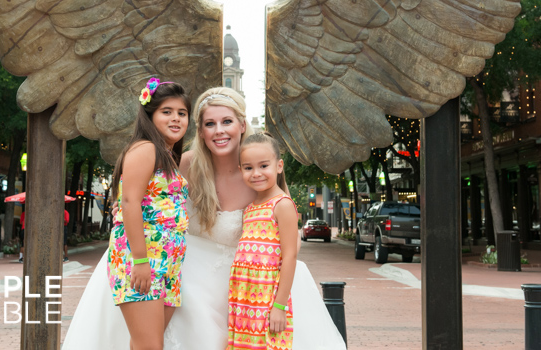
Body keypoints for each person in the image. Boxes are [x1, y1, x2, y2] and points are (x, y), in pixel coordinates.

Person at [63, 87, 345, 350]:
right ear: (200, 130)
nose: (219, 131)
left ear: (242, 125)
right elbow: (145, 196)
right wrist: (122, 212)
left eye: (227, 122)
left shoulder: (259, 172)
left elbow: (286, 236)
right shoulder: (183, 163)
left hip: (249, 282)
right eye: (210, 124)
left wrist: (278, 301)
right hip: (181, 272)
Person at [106, 78, 191, 350]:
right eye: (167, 112)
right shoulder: (147, 149)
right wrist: (141, 261)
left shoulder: (167, 155)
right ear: (150, 115)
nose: (176, 118)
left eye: (182, 113)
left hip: (167, 262)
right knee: (149, 346)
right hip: (144, 259)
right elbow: (130, 203)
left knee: (146, 345)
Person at [227, 132, 298, 349]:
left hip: (267, 299)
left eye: (263, 166)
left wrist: (279, 306)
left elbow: (290, 257)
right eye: (248, 168)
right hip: (243, 298)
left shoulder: (282, 205)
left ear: (279, 166)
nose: (256, 173)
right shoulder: (250, 208)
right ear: (241, 171)